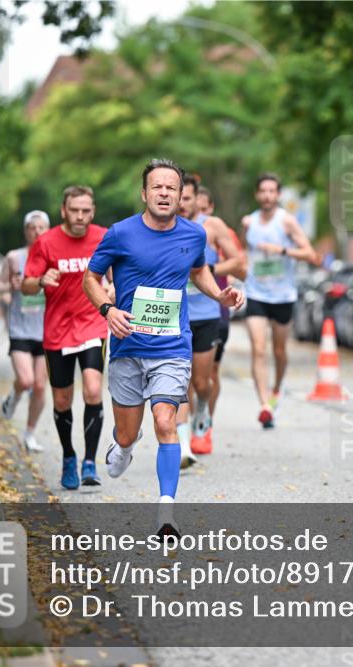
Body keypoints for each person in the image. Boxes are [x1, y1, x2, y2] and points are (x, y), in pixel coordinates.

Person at [83, 159, 243, 536]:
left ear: (180, 195)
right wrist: (107, 310)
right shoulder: (120, 234)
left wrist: (219, 292)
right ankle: (124, 445)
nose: (165, 193)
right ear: (144, 193)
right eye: (157, 187)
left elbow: (198, 269)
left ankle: (166, 510)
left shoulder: (193, 235)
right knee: (126, 433)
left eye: (172, 188)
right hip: (126, 345)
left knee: (166, 421)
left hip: (172, 346)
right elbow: (90, 278)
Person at [22, 186, 109, 490]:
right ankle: (69, 456)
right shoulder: (45, 242)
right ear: (63, 211)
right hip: (58, 330)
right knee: (62, 398)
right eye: (75, 210)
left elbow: (118, 272)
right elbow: (26, 285)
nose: (81, 216)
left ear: (93, 211)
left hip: (92, 324)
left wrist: (112, 289)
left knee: (94, 389)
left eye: (86, 211)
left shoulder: (103, 237)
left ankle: (90, 462)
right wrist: (40, 280)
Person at [175, 176, 246, 468]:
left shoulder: (212, 226)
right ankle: (182, 447)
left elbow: (240, 263)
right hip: (173, 316)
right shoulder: (164, 226)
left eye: (188, 198)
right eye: (179, 198)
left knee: (201, 382)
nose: (182, 204)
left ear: (196, 199)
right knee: (178, 382)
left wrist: (206, 268)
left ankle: (203, 408)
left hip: (205, 315)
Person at [241, 173, 319, 428]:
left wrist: (282, 251)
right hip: (256, 293)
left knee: (279, 351)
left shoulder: (287, 222)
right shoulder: (249, 223)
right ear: (256, 194)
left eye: (272, 191)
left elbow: (310, 254)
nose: (267, 195)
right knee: (259, 348)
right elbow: (245, 253)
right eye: (263, 191)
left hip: (283, 295)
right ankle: (265, 405)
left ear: (278, 194)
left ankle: (277, 389)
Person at [0, 210, 51, 452]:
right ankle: (14, 396)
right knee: (26, 380)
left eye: (41, 227)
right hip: (20, 328)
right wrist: (10, 285)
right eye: (32, 227)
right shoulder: (14, 257)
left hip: (46, 330)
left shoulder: (53, 256)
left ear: (48, 230)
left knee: (39, 386)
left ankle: (29, 433)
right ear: (25, 231)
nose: (37, 231)